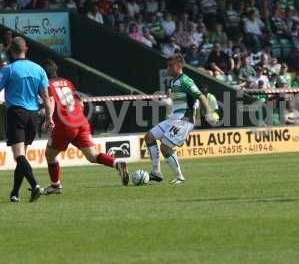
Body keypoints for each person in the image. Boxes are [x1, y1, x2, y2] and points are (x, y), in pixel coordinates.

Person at [41, 59, 130, 194]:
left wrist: (48, 119)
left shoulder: (46, 84)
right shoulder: (67, 82)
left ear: (43, 73)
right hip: (80, 121)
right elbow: (80, 103)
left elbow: (52, 101)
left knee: (50, 155)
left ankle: (55, 185)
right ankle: (116, 163)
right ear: (56, 70)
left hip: (64, 123)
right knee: (92, 156)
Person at [144, 54, 215, 184]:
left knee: (165, 147)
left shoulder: (186, 81)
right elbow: (175, 99)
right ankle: (156, 173)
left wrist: (208, 113)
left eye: (170, 66)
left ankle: (179, 177)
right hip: (173, 119)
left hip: (184, 119)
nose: (168, 68)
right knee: (149, 137)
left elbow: (201, 97)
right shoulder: (172, 81)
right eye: (167, 65)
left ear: (179, 66)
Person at [0, 37, 54, 202]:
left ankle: (35, 185)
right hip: (34, 116)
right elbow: (45, 96)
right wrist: (49, 117)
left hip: (16, 113)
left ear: (11, 51)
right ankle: (14, 193)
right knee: (22, 156)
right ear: (26, 49)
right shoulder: (38, 69)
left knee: (18, 156)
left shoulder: (9, 70)